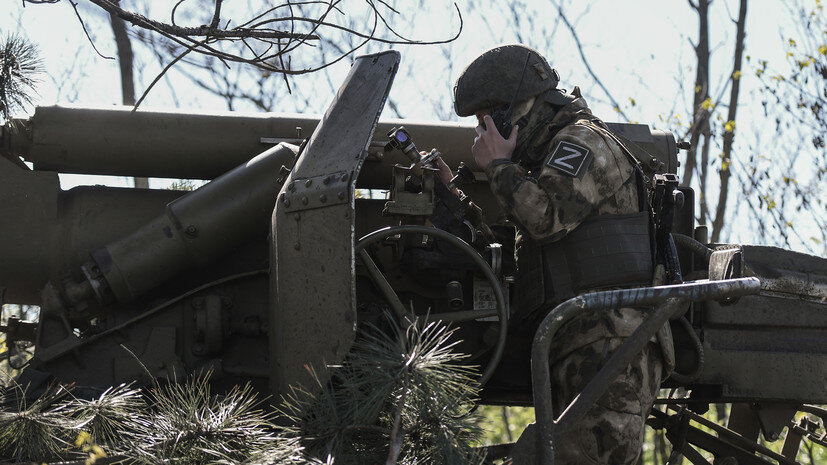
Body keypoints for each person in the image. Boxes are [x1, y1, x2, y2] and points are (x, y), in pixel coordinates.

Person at [446, 44, 666, 464]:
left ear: (515, 112)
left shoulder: (582, 142)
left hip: (610, 344)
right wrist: (452, 196)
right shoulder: (549, 159)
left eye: (487, 122)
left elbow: (547, 218)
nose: (483, 134)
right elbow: (518, 252)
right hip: (581, 344)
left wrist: (497, 166)